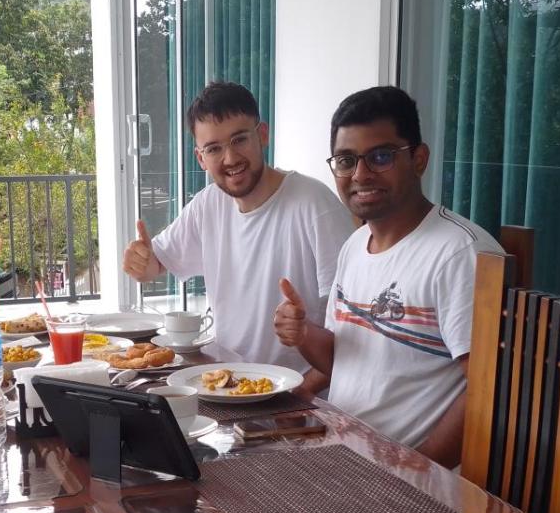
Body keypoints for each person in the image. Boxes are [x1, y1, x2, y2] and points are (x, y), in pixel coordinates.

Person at [273, 86, 501, 466]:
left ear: (418, 159)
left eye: (381, 157)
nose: (360, 174)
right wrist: (303, 333)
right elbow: (342, 361)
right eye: (346, 160)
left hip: (411, 476)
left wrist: (416, 472)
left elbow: (489, 387)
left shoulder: (459, 253)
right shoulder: (355, 245)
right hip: (342, 456)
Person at [123, 80, 353, 375]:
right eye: (214, 148)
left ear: (263, 135)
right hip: (227, 383)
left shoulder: (314, 203)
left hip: (297, 389)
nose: (230, 158)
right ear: (200, 158)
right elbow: (155, 264)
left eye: (239, 140)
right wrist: (141, 264)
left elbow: (352, 333)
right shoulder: (207, 204)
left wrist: (301, 395)